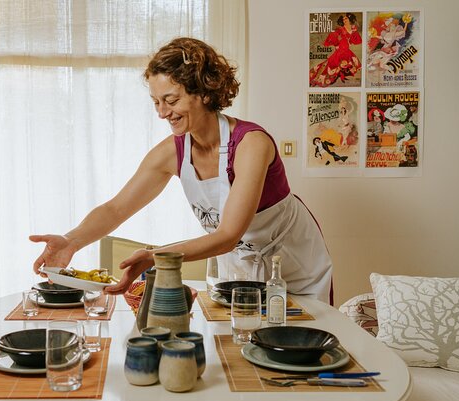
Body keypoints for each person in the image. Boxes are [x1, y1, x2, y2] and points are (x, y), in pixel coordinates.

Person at [31, 37, 333, 303]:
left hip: (294, 265)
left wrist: (156, 257)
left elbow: (228, 234)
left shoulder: (252, 144)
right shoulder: (172, 152)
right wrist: (72, 241)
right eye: (156, 102)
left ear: (203, 92)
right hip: (240, 267)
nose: (162, 112)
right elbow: (115, 209)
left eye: (171, 100)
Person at [309, 13, 362, 87]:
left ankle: (319, 78)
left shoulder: (353, 29)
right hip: (339, 51)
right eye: (343, 19)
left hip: (346, 51)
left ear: (350, 19)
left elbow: (358, 41)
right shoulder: (339, 30)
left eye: (346, 18)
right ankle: (315, 79)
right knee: (328, 65)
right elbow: (330, 40)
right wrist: (337, 41)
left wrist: (354, 33)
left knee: (342, 65)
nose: (344, 20)